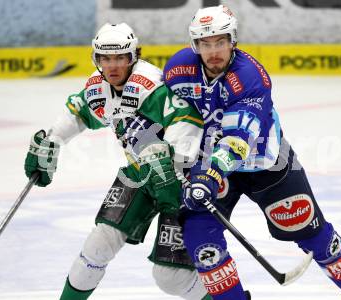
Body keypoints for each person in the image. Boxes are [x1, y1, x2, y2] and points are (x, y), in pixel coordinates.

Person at [163, 5, 341, 300]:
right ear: (195, 45)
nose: (213, 51)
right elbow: (167, 115)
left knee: (312, 233)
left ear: (233, 41)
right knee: (200, 238)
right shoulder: (178, 71)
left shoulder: (250, 77)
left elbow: (238, 141)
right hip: (210, 166)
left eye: (220, 42)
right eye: (205, 43)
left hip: (267, 164)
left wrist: (210, 173)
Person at [24, 23, 212, 300]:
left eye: (120, 58)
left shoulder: (151, 87)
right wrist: (52, 141)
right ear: (96, 59)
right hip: (140, 174)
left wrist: (172, 156)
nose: (112, 66)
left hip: (183, 181)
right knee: (97, 246)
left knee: (170, 277)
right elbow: (77, 112)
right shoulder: (98, 88)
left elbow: (187, 119)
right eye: (105, 58)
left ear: (133, 57)